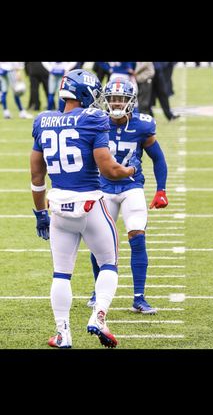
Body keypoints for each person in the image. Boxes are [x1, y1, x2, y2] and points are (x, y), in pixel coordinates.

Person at [30, 69, 140, 349]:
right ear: (84, 92)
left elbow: (36, 176)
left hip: (58, 208)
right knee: (109, 263)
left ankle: (63, 333)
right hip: (91, 205)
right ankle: (99, 316)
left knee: (61, 273)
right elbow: (109, 169)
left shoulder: (43, 120)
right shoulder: (94, 118)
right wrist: (130, 169)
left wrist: (40, 213)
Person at [87, 77, 168, 314]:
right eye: (112, 98)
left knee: (137, 236)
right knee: (99, 244)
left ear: (131, 101)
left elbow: (158, 158)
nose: (116, 103)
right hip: (103, 188)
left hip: (131, 186)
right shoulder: (95, 122)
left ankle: (139, 297)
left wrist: (161, 189)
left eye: (121, 99)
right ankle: (97, 290)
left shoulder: (143, 125)